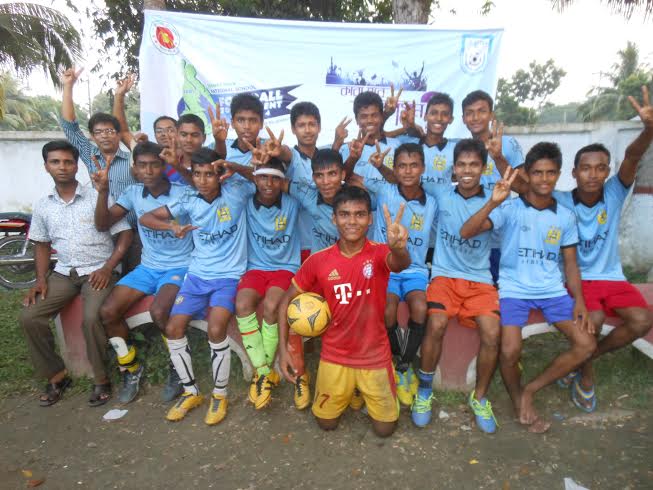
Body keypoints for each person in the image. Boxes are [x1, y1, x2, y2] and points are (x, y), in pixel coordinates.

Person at [460, 142, 597, 433]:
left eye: (550, 173)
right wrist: (493, 202)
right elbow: (467, 232)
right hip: (513, 290)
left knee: (586, 343)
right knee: (509, 351)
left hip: (552, 291)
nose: (544, 179)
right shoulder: (510, 208)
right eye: (537, 173)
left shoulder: (565, 216)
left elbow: (570, 264)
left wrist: (580, 300)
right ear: (528, 174)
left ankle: (530, 390)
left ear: (559, 174)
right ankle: (517, 397)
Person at [277, 186, 411, 437]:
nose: (352, 221)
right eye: (345, 214)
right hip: (334, 355)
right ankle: (350, 390)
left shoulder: (381, 253)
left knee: (385, 430)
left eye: (360, 214)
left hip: (374, 356)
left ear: (370, 220)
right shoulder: (319, 261)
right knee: (326, 423)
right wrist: (284, 351)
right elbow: (285, 302)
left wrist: (399, 248)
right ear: (334, 218)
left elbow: (401, 263)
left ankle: (361, 389)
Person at [553, 86, 653, 412]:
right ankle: (585, 377)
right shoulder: (562, 200)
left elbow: (633, 156)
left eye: (600, 168)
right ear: (574, 172)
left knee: (641, 320)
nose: (593, 174)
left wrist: (648, 129)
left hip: (612, 276)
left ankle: (585, 357)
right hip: (578, 278)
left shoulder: (614, 193)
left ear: (607, 171)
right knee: (590, 320)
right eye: (586, 168)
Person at [140, 148, 253, 425]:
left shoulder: (236, 193)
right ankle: (191, 392)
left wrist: (232, 166)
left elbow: (257, 177)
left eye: (209, 174)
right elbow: (146, 218)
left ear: (220, 176)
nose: (203, 180)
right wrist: (173, 228)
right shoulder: (188, 200)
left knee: (216, 329)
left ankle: (219, 395)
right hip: (196, 275)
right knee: (173, 327)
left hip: (228, 277)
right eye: (198, 174)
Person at [19, 140, 132, 407]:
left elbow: (125, 233)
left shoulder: (97, 195)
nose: (62, 167)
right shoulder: (44, 205)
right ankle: (57, 375)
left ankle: (102, 379)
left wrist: (108, 267)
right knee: (29, 316)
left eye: (68, 161)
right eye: (55, 162)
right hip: (63, 272)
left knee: (92, 317)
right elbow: (42, 244)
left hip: (98, 270)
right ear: (46, 166)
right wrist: (40, 280)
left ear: (76, 165)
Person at [411, 139, 502, 433]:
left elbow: (467, 231)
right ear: (453, 168)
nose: (467, 170)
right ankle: (424, 390)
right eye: (461, 164)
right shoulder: (441, 191)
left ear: (483, 168)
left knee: (492, 333)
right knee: (435, 323)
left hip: (480, 281)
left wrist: (492, 202)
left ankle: (480, 397)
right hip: (443, 276)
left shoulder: (497, 201)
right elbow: (407, 178)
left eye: (474, 164)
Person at [94, 142, 194, 404]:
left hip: (180, 265)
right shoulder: (133, 192)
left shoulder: (182, 192)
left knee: (159, 311)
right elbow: (103, 223)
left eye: (154, 164)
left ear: (163, 166)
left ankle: (178, 365)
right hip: (148, 267)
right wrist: (103, 191)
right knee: (107, 312)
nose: (149, 170)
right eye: (142, 165)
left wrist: (171, 224)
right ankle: (130, 368)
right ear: (135, 169)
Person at [358, 143, 437, 407]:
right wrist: (380, 167)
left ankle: (405, 363)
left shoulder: (432, 201)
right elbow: (356, 179)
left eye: (414, 165)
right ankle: (395, 360)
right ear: (395, 168)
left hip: (414, 269)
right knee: (387, 310)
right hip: (387, 267)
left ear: (423, 168)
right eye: (401, 165)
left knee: (420, 308)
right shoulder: (383, 190)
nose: (408, 171)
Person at [59, 67, 141, 273]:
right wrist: (68, 86)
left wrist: (119, 96)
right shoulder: (89, 154)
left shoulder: (133, 156)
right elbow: (70, 127)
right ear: (93, 136)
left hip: (133, 231)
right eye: (99, 132)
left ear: (117, 134)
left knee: (132, 276)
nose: (105, 136)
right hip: (102, 230)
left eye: (109, 131)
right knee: (106, 277)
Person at [234, 159, 301, 409]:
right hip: (256, 267)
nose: (268, 184)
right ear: (255, 179)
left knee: (272, 306)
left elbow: (312, 190)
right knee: (242, 305)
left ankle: (262, 373)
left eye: (275, 178)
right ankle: (263, 371)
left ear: (283, 181)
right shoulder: (245, 203)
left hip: (285, 267)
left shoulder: (293, 203)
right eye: (263, 178)